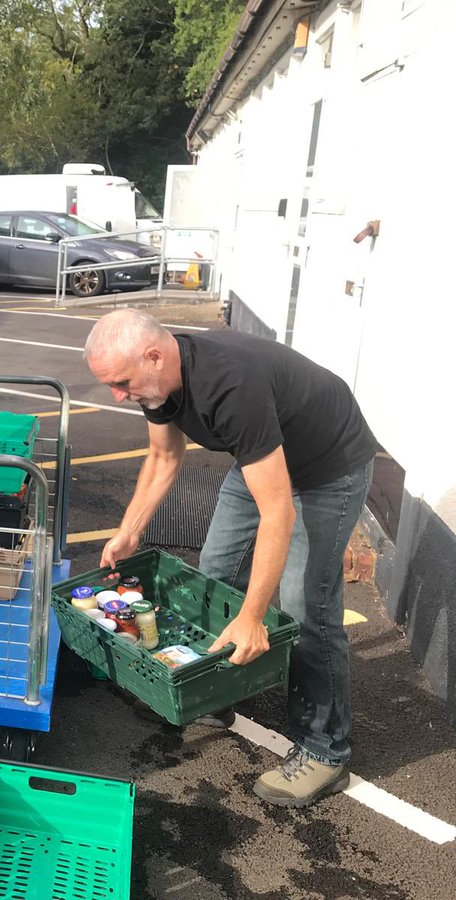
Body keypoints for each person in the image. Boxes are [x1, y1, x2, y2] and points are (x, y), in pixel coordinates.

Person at [84, 309, 378, 808]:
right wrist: (128, 533)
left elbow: (278, 513)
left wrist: (251, 618)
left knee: (306, 607)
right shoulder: (159, 382)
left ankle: (325, 752)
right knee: (214, 575)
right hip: (263, 458)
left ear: (154, 356)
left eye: (121, 383)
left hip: (329, 467)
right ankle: (214, 695)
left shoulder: (229, 388)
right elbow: (163, 457)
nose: (118, 395)